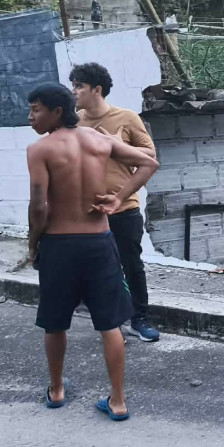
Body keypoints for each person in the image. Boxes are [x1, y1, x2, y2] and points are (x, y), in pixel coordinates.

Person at [25, 83, 159, 421]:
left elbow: (39, 205)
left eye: (36, 110)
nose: (30, 117)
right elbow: (148, 162)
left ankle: (56, 390)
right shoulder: (99, 140)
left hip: (59, 245)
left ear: (56, 111)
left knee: (55, 324)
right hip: (99, 243)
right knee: (109, 324)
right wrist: (119, 196)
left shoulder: (40, 149)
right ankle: (118, 401)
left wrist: (33, 242)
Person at [69, 63, 160, 343]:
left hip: (123, 208)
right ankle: (109, 320)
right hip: (88, 212)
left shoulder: (127, 117)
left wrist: (114, 146)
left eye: (79, 87)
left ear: (96, 90)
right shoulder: (73, 122)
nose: (74, 92)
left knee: (132, 265)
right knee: (97, 268)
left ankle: (139, 319)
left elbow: (149, 156)